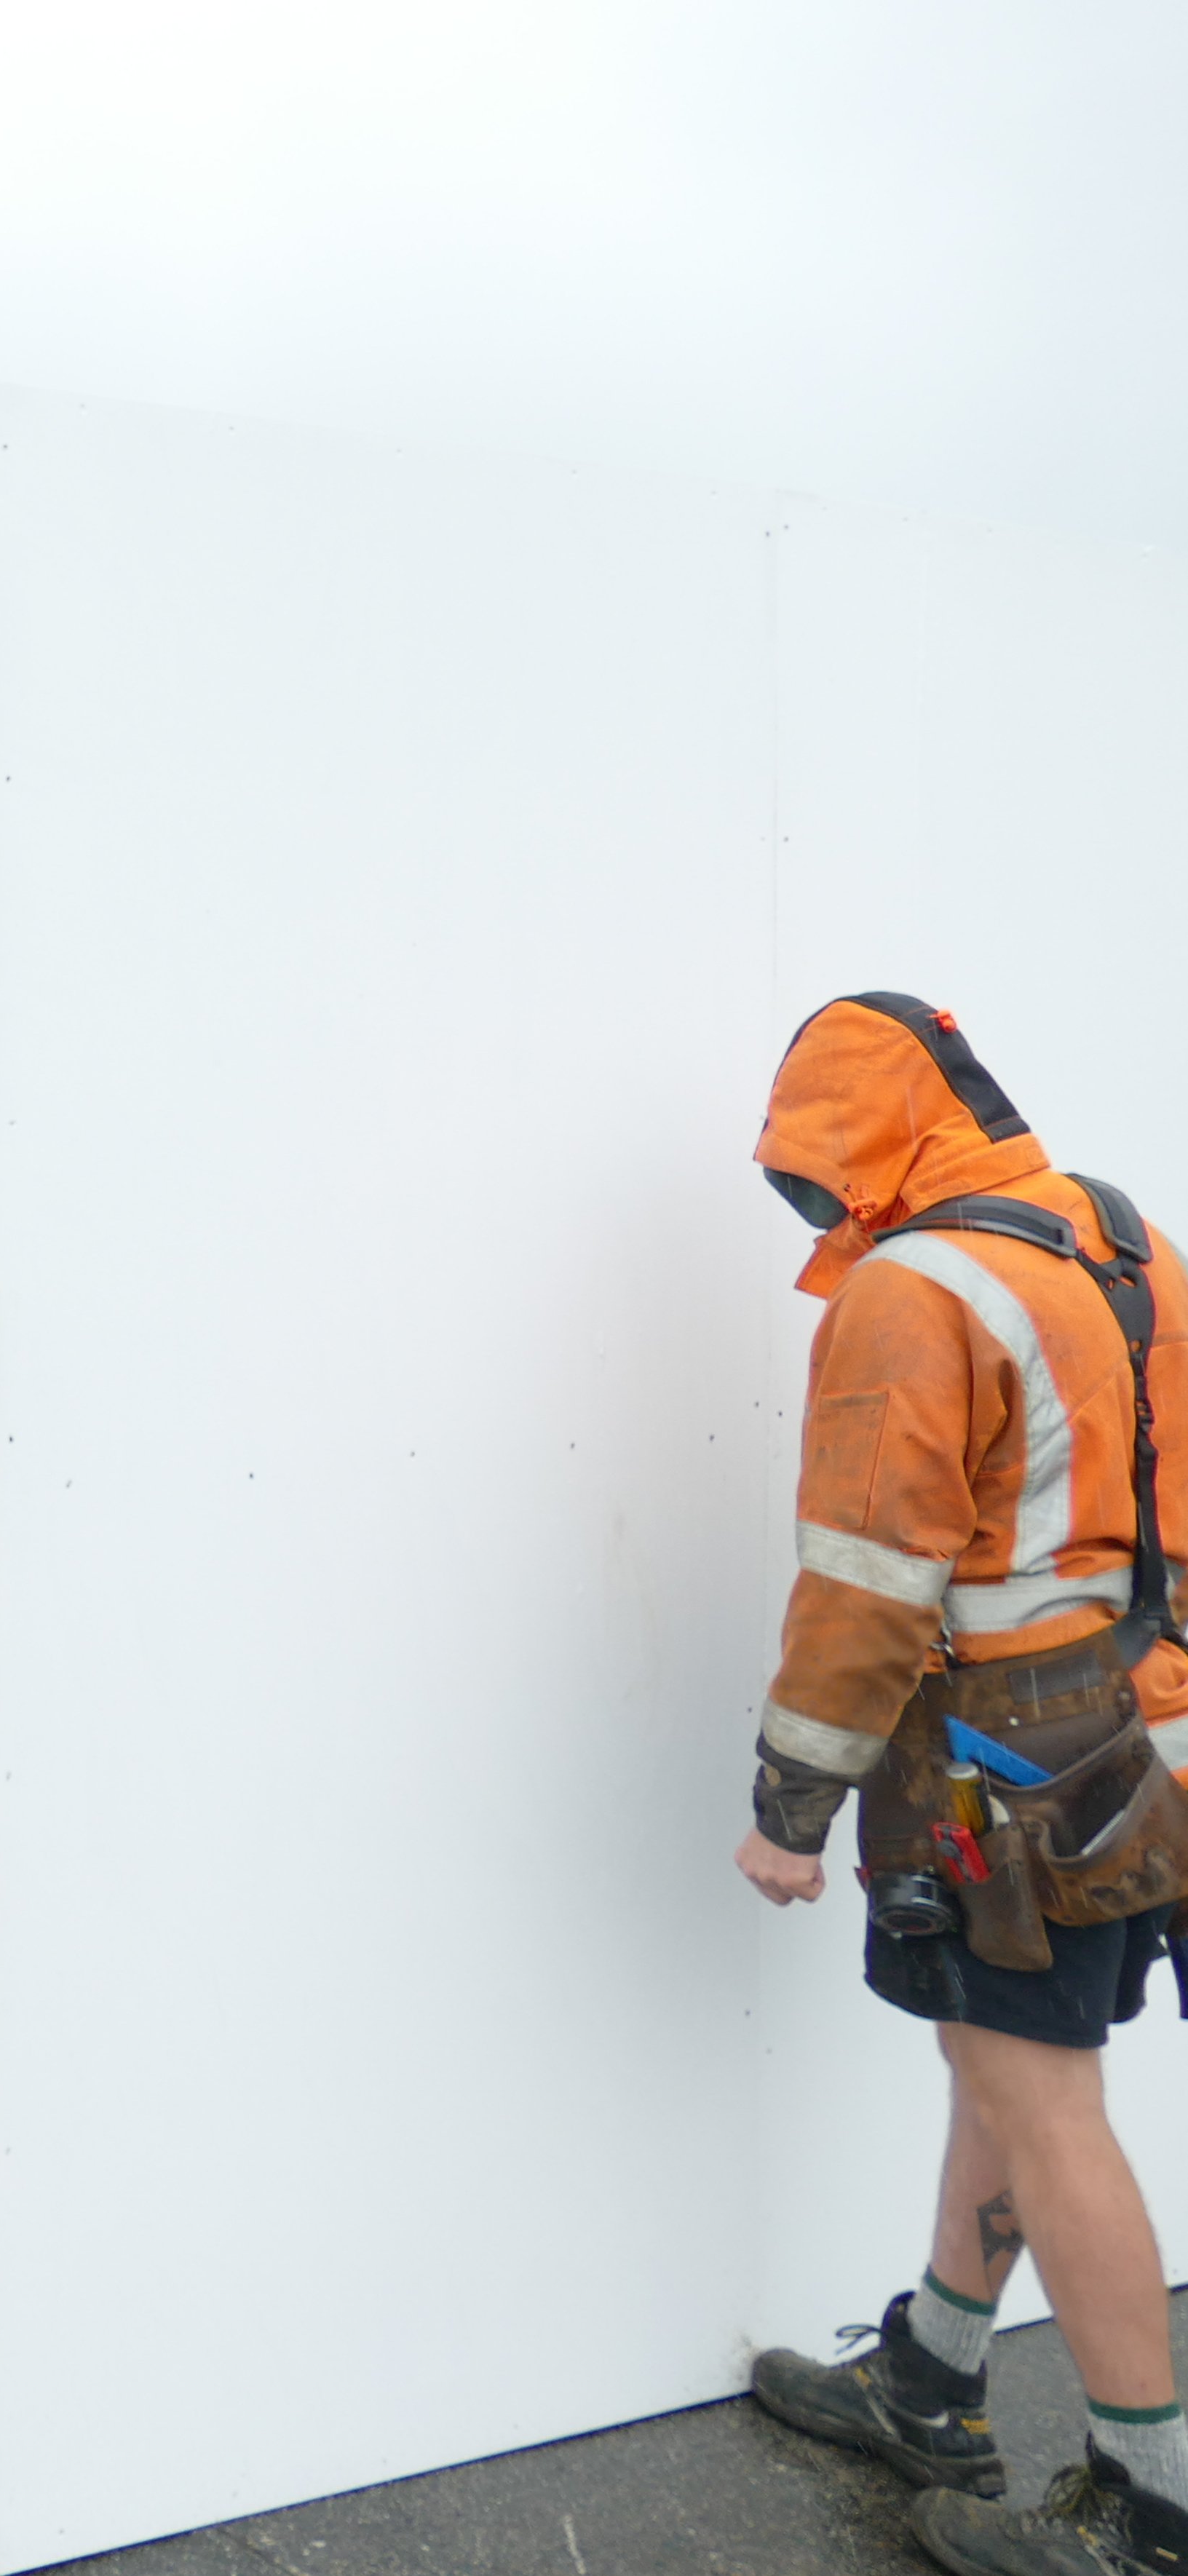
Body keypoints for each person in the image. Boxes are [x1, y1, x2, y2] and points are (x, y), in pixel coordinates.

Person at [737, 994, 1188, 2576]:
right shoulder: (1124, 1244)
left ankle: (1149, 2512)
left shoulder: (906, 1287)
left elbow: (862, 1585)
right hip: (1152, 1745)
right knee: (1007, 2059)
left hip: (1005, 1767)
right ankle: (931, 2378)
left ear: (849, 1143)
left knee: (1041, 2101)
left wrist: (787, 1809)